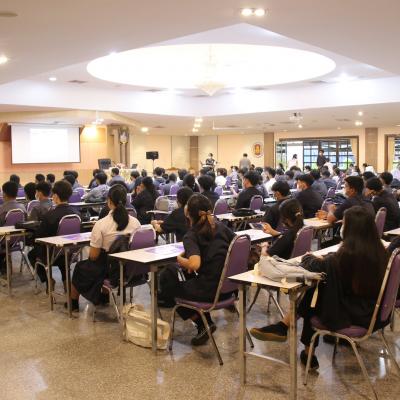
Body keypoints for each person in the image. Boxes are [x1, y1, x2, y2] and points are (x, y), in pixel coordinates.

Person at [250, 207, 388, 370]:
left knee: (318, 291)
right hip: (374, 311)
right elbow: (335, 266)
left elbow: (315, 266)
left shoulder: (347, 256)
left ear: (351, 229)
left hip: (356, 315)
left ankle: (290, 332)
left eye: (344, 223)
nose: (341, 226)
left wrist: (311, 257)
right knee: (319, 289)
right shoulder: (379, 251)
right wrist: (326, 259)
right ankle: (295, 339)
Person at [159, 194, 235, 345]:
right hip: (229, 289)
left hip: (209, 292)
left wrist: (180, 259)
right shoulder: (222, 228)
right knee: (185, 275)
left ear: (188, 215)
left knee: (168, 278)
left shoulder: (192, 235)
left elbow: (194, 264)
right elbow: (234, 246)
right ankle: (205, 323)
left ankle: (202, 324)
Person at [70, 185, 141, 311]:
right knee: (102, 264)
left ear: (109, 201)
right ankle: (103, 297)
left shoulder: (101, 224)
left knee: (80, 267)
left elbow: (94, 256)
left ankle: (73, 303)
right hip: (131, 268)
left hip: (108, 269)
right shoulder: (136, 222)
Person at [28, 180, 80, 291]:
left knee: (32, 254)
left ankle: (48, 279)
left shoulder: (50, 215)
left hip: (51, 255)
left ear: (55, 196)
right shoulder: (77, 213)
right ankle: (66, 281)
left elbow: (39, 236)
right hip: (70, 254)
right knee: (62, 252)